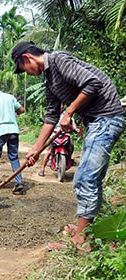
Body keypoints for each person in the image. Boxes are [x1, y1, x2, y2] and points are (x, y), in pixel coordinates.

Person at [11, 41, 124, 251]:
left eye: (23, 68)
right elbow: (51, 117)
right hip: (96, 122)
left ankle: (82, 240)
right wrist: (35, 149)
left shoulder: (59, 60)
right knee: (87, 178)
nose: (27, 73)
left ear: (27, 58)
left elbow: (93, 82)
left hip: (107, 119)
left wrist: (70, 112)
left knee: (86, 178)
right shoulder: (49, 80)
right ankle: (86, 230)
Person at [38, 106, 82, 177]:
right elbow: (48, 123)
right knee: (49, 152)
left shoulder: (67, 114)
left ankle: (69, 158)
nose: (60, 106)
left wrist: (75, 129)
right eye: (59, 105)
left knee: (71, 144)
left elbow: (73, 123)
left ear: (63, 106)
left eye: (61, 105)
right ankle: (42, 168)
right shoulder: (53, 113)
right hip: (54, 135)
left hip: (65, 134)